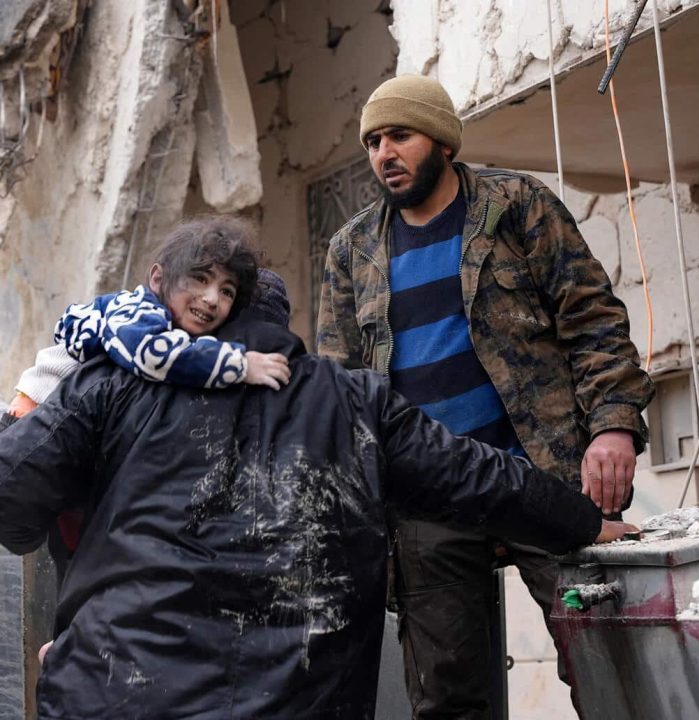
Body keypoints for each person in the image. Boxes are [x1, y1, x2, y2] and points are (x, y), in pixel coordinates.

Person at [0, 273, 635, 720]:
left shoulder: (110, 386)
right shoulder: (353, 400)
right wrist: (583, 522)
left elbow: (11, 501)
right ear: (281, 327)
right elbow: (477, 477)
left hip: (116, 695)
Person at [317, 74, 655, 718]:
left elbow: (593, 321)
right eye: (373, 141)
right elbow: (344, 392)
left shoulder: (516, 204)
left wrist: (614, 426)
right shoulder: (352, 250)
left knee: (610, 668)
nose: (384, 153)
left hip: (547, 477)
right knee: (449, 698)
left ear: (442, 141)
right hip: (429, 501)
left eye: (400, 136)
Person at [3, 215, 290, 584]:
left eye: (226, 292)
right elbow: (157, 355)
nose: (210, 299)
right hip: (27, 416)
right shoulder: (137, 329)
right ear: (158, 279)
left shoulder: (146, 368)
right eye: (200, 279)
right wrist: (238, 365)